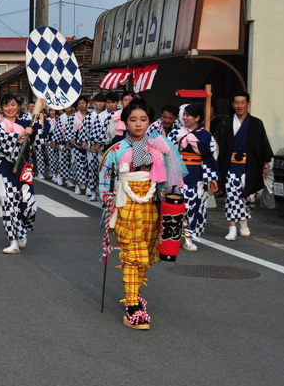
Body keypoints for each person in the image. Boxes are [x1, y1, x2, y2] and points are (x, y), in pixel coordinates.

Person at [98, 99, 186, 330]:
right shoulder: (116, 150)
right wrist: (107, 200)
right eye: (133, 120)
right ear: (125, 122)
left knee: (147, 254)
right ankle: (133, 307)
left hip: (152, 207)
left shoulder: (160, 146)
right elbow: (104, 176)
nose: (138, 124)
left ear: (150, 121)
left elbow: (170, 181)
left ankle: (134, 294)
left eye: (143, 119)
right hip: (125, 205)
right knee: (131, 253)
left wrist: (173, 203)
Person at [215, 91, 274, 240]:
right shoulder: (226, 123)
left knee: (249, 197)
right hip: (232, 166)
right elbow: (218, 144)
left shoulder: (256, 123)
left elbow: (263, 144)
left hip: (250, 166)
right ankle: (232, 227)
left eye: (242, 102)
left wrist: (265, 164)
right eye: (236, 102)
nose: (239, 105)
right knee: (232, 196)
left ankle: (244, 223)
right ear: (232, 105)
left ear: (248, 104)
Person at [0, 94, 40, 253]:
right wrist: (19, 135)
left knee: (28, 204)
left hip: (24, 168)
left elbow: (39, 140)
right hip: (6, 168)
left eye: (13, 104)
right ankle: (13, 241)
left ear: (18, 106)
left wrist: (39, 117)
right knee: (8, 204)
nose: (10, 108)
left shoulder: (27, 122)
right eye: (6, 106)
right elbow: (0, 142)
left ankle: (22, 230)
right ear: (1, 109)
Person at [168, 103, 219, 250]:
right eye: (184, 115)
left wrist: (212, 178)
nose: (185, 117)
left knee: (193, 209)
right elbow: (168, 153)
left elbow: (211, 157)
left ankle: (189, 238)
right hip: (179, 174)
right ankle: (173, 236)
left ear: (197, 118)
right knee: (177, 207)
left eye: (189, 115)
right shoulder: (175, 133)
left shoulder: (206, 135)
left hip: (197, 176)